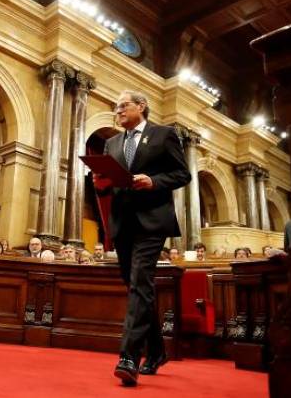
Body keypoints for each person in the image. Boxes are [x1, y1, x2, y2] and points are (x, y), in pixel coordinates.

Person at [96, 90, 191, 387]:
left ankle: (128, 358)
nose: (118, 111)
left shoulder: (164, 135)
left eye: (123, 105)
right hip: (122, 223)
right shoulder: (111, 142)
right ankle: (158, 350)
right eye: (116, 107)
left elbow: (182, 174)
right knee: (137, 287)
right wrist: (100, 183)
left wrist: (154, 181)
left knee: (140, 282)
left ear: (141, 106)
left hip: (152, 220)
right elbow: (107, 186)